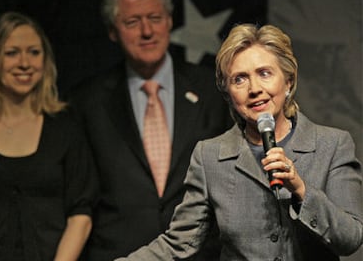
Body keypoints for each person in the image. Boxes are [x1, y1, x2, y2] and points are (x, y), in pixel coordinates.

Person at [114, 23, 363, 261]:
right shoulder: (209, 156)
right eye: (239, 79)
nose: (254, 88)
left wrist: (301, 189)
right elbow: (180, 242)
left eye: (265, 73)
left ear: (288, 81)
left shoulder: (332, 145)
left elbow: (350, 238)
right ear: (228, 93)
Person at [69, 0, 232, 261]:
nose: (147, 31)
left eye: (155, 18)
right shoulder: (87, 102)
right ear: (112, 31)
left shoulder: (213, 92)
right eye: (132, 21)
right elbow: (79, 198)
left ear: (169, 20)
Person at [0, 11, 97, 260]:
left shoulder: (66, 129)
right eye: (12, 53)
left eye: (34, 52)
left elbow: (80, 216)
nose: (25, 63)